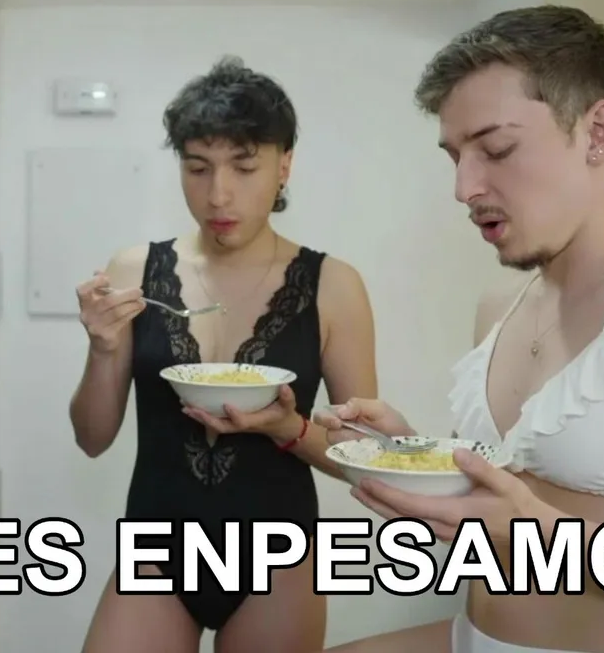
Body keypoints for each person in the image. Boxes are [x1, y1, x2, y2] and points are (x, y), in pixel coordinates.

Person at [316, 5, 604, 653]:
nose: (464, 186)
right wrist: (412, 456)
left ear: (597, 132)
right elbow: (514, 493)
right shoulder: (499, 304)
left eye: (496, 150)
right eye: (455, 157)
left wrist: (550, 539)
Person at [71, 56, 379, 653]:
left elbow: (364, 458)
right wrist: (103, 347)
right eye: (197, 168)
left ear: (284, 165)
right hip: (156, 549)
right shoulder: (134, 270)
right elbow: (91, 438)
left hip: (280, 557)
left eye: (244, 166)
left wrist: (287, 427)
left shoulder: (335, 285)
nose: (218, 194)